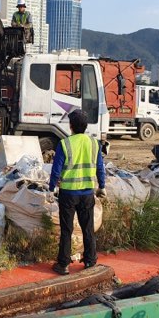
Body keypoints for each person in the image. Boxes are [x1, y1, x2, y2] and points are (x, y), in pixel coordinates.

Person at [48, 110, 106, 275]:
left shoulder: (65, 144)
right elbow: (100, 168)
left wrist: (51, 189)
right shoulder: (95, 144)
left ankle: (63, 264)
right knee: (88, 228)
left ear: (71, 126)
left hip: (68, 194)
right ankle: (90, 261)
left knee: (67, 230)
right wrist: (102, 186)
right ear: (86, 126)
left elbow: (56, 169)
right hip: (87, 194)